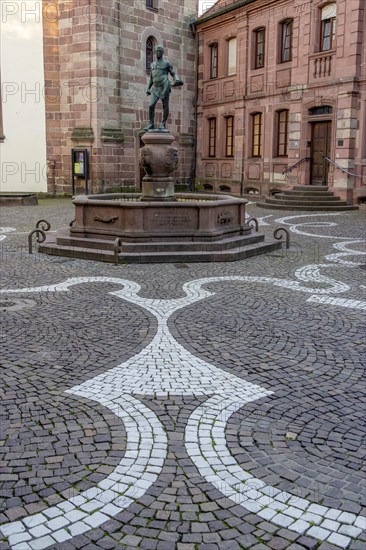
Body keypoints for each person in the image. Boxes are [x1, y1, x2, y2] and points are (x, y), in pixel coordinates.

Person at [145, 45, 183, 131]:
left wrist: (176, 79)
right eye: (156, 51)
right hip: (155, 87)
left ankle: (163, 123)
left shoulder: (166, 63)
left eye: (159, 51)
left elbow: (173, 73)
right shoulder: (152, 64)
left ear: (162, 52)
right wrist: (148, 88)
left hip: (164, 85)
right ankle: (151, 124)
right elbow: (151, 77)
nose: (158, 52)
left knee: (165, 105)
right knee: (151, 105)